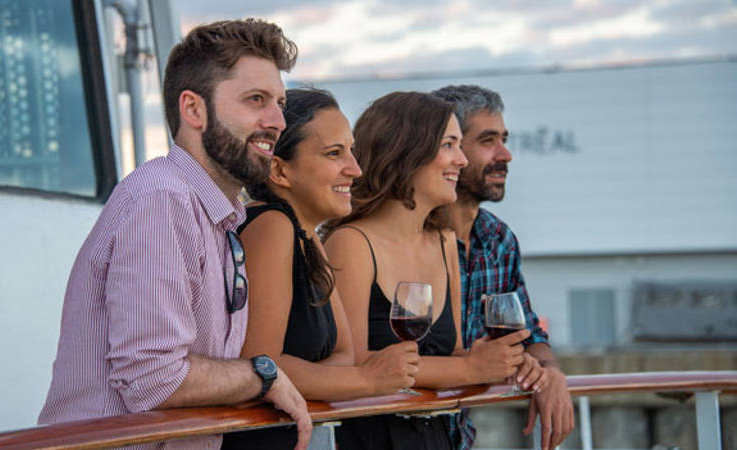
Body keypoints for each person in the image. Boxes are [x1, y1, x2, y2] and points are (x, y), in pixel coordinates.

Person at [38, 19, 312, 450]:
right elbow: (154, 380)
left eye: (279, 102)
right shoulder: (162, 201)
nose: (278, 120)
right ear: (194, 110)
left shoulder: (211, 214)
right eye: (256, 99)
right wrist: (262, 374)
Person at [323, 91, 543, 450]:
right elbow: (357, 365)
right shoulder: (352, 243)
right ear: (406, 152)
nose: (460, 159)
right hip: (369, 439)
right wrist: (473, 370)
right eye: (449, 145)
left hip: (437, 438)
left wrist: (504, 362)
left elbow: (452, 353)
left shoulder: (443, 242)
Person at [222, 88, 420, 449]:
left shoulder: (308, 237)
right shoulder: (271, 226)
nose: (355, 169)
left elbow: (344, 355)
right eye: (334, 153)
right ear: (279, 170)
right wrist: (369, 381)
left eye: (352, 151)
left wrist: (337, 375)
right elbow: (259, 367)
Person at [431, 84, 574, 450]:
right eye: (488, 140)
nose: (506, 154)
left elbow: (528, 338)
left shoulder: (499, 240)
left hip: (459, 440)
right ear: (446, 149)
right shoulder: (403, 238)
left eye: (504, 139)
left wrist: (550, 372)